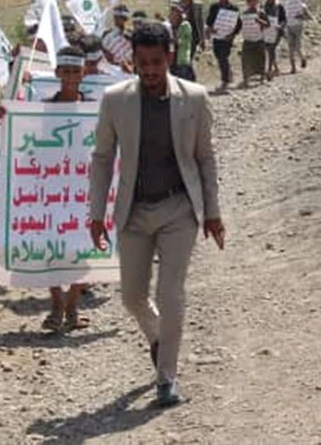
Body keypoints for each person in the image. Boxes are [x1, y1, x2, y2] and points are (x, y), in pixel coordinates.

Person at [88, 23, 224, 410]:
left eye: (156, 63)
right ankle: (158, 338)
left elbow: (204, 159)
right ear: (132, 61)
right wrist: (96, 212)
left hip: (179, 208)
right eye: (141, 63)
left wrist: (212, 212)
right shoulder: (116, 100)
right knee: (132, 295)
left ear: (169, 58)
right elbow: (102, 159)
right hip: (133, 210)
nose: (148, 71)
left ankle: (166, 377)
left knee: (171, 293)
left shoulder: (194, 99)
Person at [42, 44, 93, 333]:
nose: (72, 76)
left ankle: (72, 306)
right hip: (51, 188)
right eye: (66, 71)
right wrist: (6, 117)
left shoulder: (95, 108)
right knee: (51, 250)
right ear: (57, 72)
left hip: (85, 189)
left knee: (83, 250)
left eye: (77, 70)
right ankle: (56, 304)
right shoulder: (44, 107)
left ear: (84, 72)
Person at [205, 0, 239, 94]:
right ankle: (228, 74)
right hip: (217, 37)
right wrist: (210, 30)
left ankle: (225, 80)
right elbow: (209, 21)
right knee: (218, 56)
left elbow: (238, 24)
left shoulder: (234, 9)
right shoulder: (214, 7)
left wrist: (232, 35)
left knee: (223, 56)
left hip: (227, 38)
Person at [237, 0, 267, 88]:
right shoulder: (244, 14)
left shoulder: (261, 13)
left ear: (257, 1)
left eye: (253, 1)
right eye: (249, 1)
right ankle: (246, 79)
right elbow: (239, 25)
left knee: (260, 59)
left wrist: (260, 21)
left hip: (258, 40)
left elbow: (267, 24)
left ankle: (262, 77)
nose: (251, 3)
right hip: (247, 40)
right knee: (245, 60)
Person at [281, 0, 311, 73]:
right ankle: (293, 67)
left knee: (297, 47)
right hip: (289, 26)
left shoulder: (301, 5)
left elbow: (308, 17)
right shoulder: (286, 4)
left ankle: (302, 58)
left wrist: (301, 16)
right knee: (291, 48)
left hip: (298, 26)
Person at [260, 0, 288, 80]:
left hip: (276, 31)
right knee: (268, 50)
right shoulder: (264, 6)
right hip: (266, 31)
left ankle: (269, 70)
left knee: (271, 49)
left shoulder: (279, 6)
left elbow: (284, 19)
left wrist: (280, 26)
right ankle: (275, 68)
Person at [168, 4, 196, 81]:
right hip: (172, 60)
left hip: (182, 60)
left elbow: (181, 41)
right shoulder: (170, 26)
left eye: (175, 15)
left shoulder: (185, 26)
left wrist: (171, 39)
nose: (172, 17)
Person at [101, 5, 134, 73]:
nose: (119, 20)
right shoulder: (108, 34)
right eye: (117, 17)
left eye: (122, 18)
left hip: (128, 68)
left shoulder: (131, 34)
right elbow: (103, 50)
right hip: (111, 68)